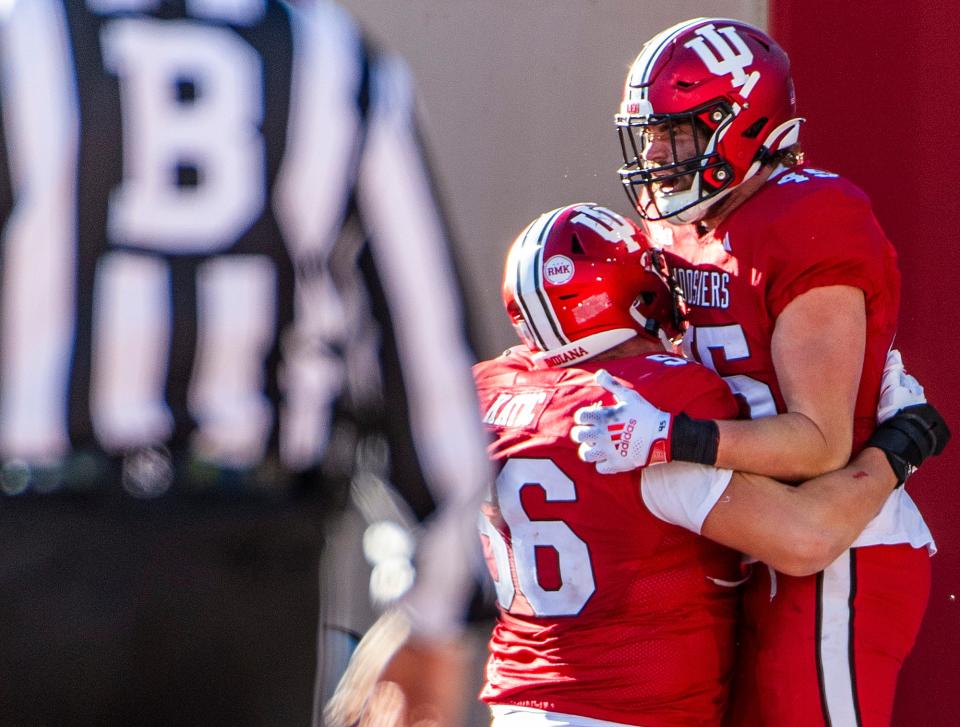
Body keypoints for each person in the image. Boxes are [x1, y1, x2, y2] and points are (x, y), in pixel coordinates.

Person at [0, 1, 490, 725]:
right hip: (249, 570)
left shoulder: (20, 37)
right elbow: (423, 349)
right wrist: (435, 610)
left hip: (38, 553)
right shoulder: (330, 55)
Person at [574, 17, 938, 726]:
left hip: (840, 542)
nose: (656, 154)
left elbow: (819, 440)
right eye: (648, 133)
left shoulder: (809, 215)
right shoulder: (682, 234)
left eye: (675, 132)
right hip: (749, 537)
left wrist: (673, 436)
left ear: (738, 126)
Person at [475, 203, 947, 727]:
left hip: (517, 704)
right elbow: (806, 537)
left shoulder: (490, 393)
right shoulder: (630, 414)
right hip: (625, 712)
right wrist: (899, 448)